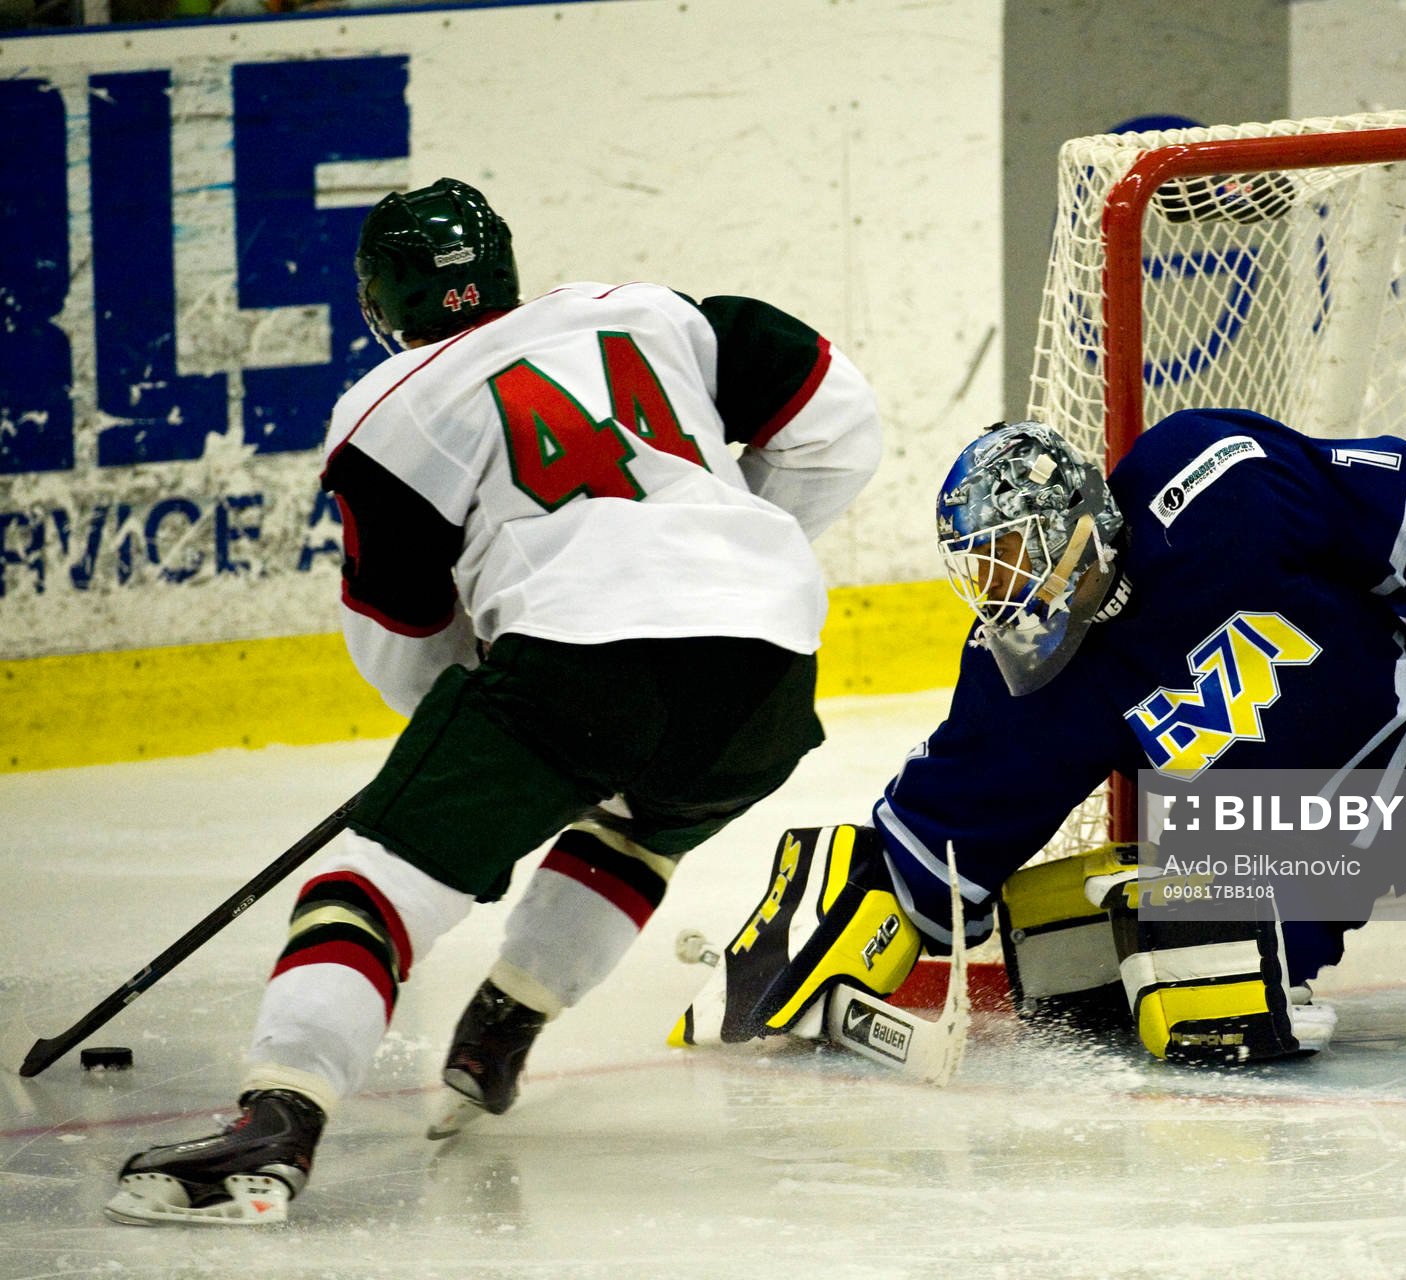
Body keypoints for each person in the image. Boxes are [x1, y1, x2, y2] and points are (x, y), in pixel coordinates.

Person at [106, 177, 881, 1225]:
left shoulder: (389, 411)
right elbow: (840, 421)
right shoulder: (651, 310)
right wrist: (723, 553)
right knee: (641, 828)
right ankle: (507, 1019)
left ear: (382, 298)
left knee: (372, 882)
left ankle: (277, 1117)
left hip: (571, 664)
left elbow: (404, 639)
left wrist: (481, 743)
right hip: (770, 665)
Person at [677, 412, 1406, 1068]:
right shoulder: (1023, 681)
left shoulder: (1217, 485)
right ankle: (1145, 916)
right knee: (1204, 996)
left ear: (1088, 519)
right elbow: (938, 841)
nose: (1010, 589)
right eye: (983, 568)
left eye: (1024, 553)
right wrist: (833, 923)